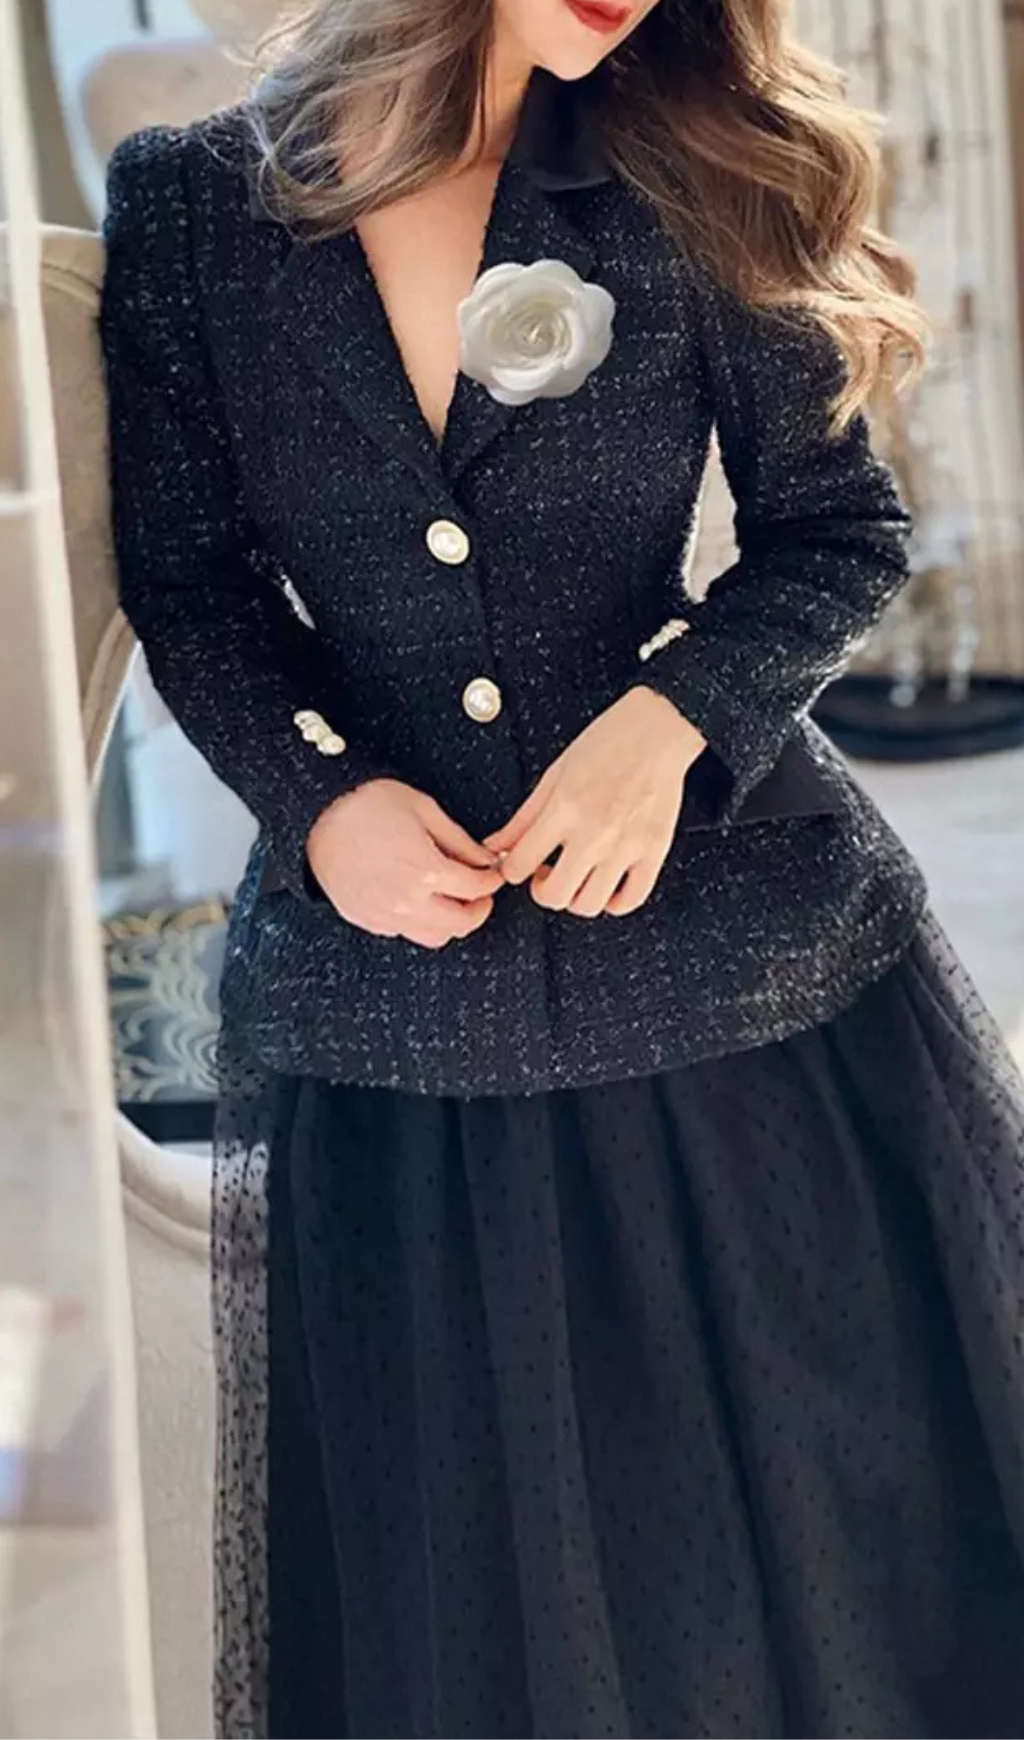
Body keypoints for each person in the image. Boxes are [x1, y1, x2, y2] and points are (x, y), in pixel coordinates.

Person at [100, 0, 1024, 1734]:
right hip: (395, 1019)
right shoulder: (190, 204)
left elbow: (837, 529)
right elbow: (192, 584)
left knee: (843, 1564)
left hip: (746, 987)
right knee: (476, 1599)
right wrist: (325, 803)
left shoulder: (690, 159)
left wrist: (669, 724)